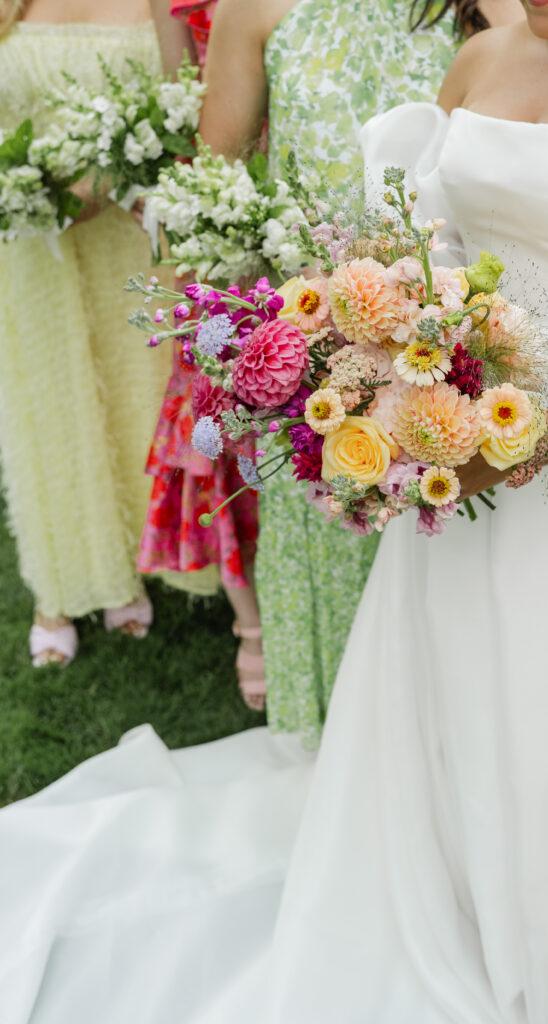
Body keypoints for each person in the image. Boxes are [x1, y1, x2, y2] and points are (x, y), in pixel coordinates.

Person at [0, 3, 548, 1024]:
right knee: (453, 695)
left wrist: (528, 441)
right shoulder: (481, 58)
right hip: (452, 465)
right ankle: (450, 904)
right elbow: (425, 250)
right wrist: (388, 383)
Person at [198, 0, 524, 747]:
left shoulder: (488, 7)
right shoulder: (257, 9)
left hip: (451, 344)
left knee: (451, 558)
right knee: (336, 534)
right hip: (315, 349)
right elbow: (216, 177)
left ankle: (452, 757)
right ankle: (343, 758)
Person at [0, 0, 189, 667]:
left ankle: (139, 559)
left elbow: (182, 95)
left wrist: (106, 182)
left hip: (129, 228)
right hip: (26, 241)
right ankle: (60, 580)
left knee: (141, 389)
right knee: (49, 405)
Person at [137, 0, 267, 711]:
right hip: (226, 203)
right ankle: (249, 623)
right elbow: (177, 102)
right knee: (222, 422)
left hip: (315, 179)